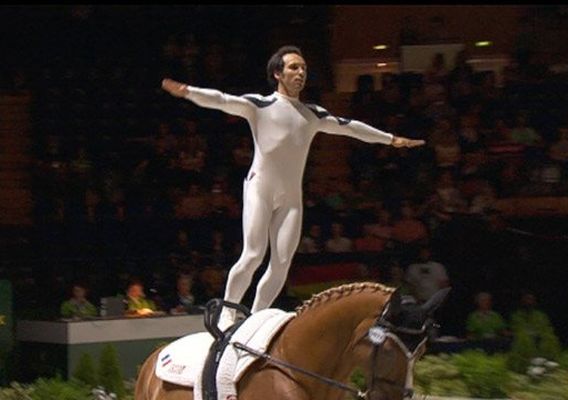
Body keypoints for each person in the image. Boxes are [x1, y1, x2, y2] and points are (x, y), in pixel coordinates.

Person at [161, 45, 425, 334]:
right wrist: (188, 91)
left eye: (304, 69)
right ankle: (227, 314)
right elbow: (222, 100)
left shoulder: (312, 114)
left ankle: (254, 321)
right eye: (294, 68)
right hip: (260, 187)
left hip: (291, 198)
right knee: (252, 255)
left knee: (282, 263)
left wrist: (391, 139)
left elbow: (351, 127)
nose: (301, 73)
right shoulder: (259, 105)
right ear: (278, 73)